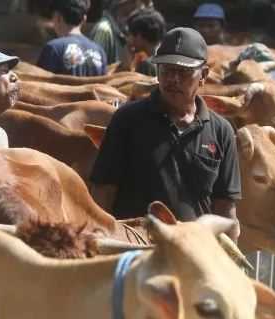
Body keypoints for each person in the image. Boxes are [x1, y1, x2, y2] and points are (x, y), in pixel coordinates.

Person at [91, 27, 241, 238]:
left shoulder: (222, 132)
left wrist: (225, 259)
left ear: (204, 75)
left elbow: (225, 207)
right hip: (134, 249)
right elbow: (103, 191)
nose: (173, 79)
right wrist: (101, 241)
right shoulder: (127, 120)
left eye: (184, 72)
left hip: (194, 253)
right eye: (166, 70)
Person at [37, 0, 106, 77]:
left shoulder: (53, 48)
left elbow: (38, 84)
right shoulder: (99, 51)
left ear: (58, 18)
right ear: (84, 19)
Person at [88, 0, 146, 65]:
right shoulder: (104, 30)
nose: (137, 6)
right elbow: (95, 67)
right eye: (133, 2)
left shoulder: (121, 29)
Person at [125, 8, 165, 76]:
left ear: (139, 36)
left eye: (130, 34)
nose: (128, 39)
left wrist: (128, 52)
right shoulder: (167, 57)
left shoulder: (147, 66)